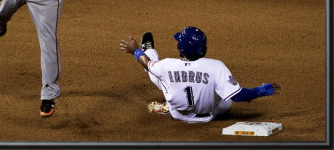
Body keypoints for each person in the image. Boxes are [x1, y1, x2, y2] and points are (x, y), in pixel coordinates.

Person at [120, 27, 281, 123]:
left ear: (180, 48)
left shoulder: (167, 65)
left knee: (154, 72)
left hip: (179, 114)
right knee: (226, 99)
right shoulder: (216, 67)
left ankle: (148, 50)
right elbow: (238, 96)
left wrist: (135, 50)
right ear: (204, 49)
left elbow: (146, 63)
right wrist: (262, 90)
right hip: (208, 116)